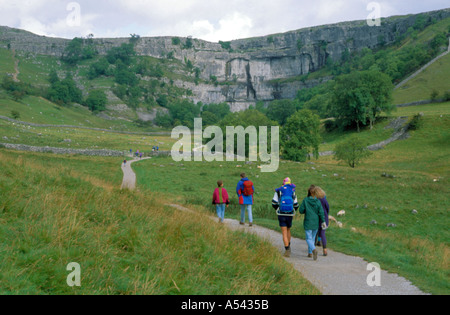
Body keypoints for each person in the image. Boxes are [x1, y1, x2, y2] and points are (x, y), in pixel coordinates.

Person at [272, 178, 299, 257]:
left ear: (283, 183)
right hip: (290, 214)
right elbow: (296, 204)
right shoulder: (292, 191)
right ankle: (289, 246)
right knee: (288, 229)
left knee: (284, 232)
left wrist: (278, 209)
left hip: (281, 214)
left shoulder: (279, 191)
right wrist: (292, 210)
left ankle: (287, 249)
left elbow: (274, 203)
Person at [299, 186, 326, 261]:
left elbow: (301, 210)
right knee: (313, 238)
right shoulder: (318, 201)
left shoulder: (306, 200)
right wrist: (323, 221)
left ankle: (313, 250)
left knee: (308, 238)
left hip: (308, 221)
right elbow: (321, 212)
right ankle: (310, 253)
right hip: (315, 222)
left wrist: (305, 210)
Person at [314, 186, 330, 256]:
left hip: (317, 218)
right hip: (324, 218)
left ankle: (313, 249)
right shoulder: (324, 199)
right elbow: (327, 207)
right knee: (323, 232)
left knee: (315, 232)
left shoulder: (315, 200)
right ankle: (325, 250)